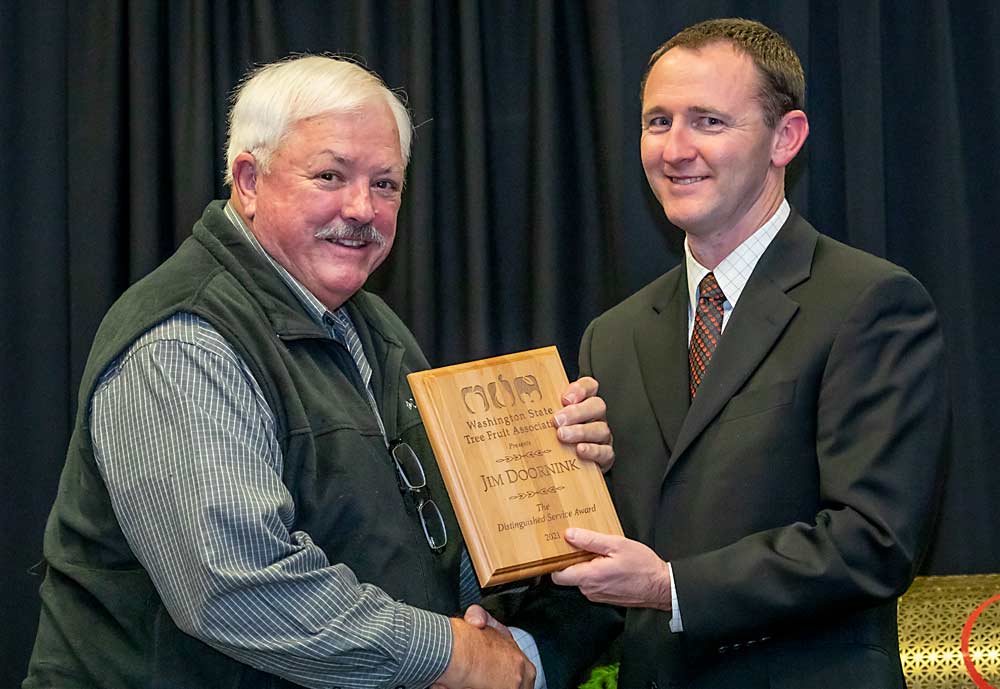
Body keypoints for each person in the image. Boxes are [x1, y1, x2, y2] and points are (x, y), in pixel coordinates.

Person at [23, 55, 614, 689]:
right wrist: (452, 654)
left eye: (385, 184)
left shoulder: (372, 325)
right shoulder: (185, 340)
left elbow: (430, 540)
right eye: (330, 175)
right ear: (248, 181)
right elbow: (235, 588)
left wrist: (551, 479)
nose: (361, 207)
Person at [551, 18, 949, 689]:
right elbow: (614, 554)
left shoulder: (871, 303)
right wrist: (516, 637)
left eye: (708, 121)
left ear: (785, 139)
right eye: (657, 121)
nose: (675, 148)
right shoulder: (611, 335)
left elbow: (873, 541)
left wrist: (670, 586)